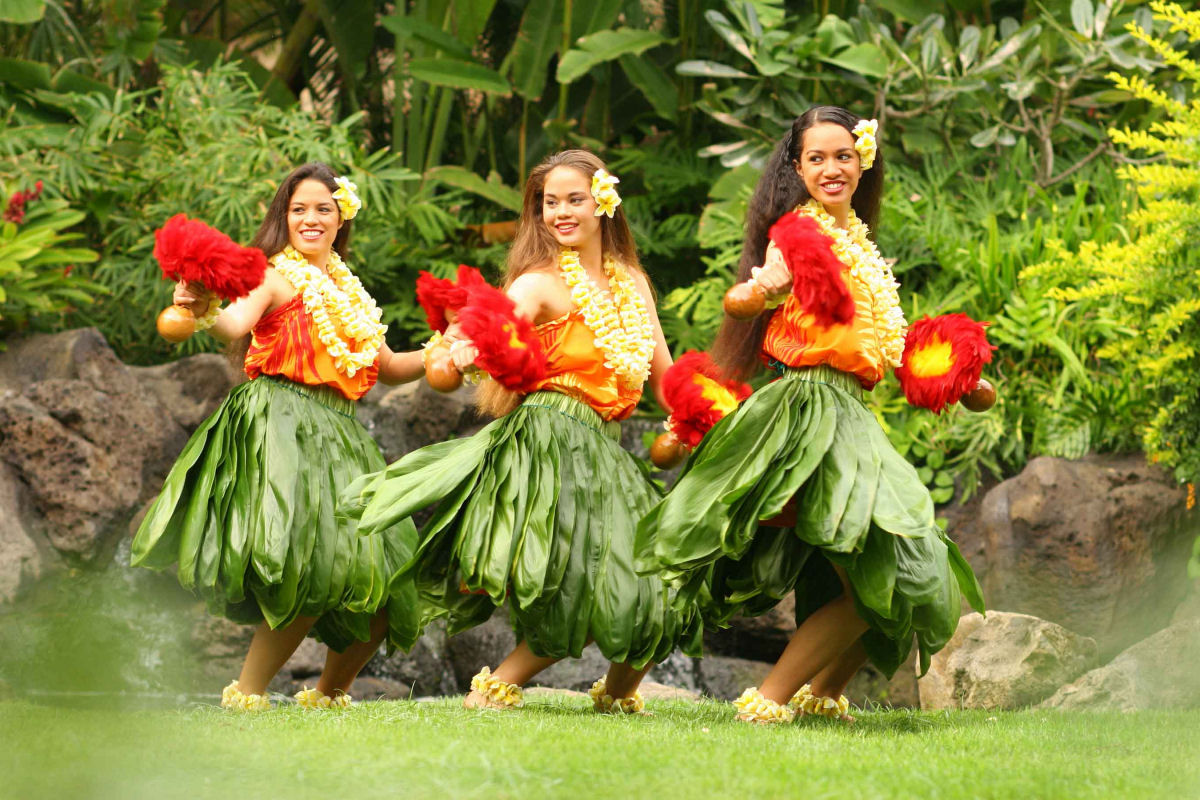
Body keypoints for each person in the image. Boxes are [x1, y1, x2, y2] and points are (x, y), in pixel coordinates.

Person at [635, 107, 984, 724]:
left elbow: (882, 340)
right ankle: (767, 699)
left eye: (843, 156)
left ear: (862, 161)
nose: (831, 168)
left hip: (849, 412)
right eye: (816, 158)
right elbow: (755, 295)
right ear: (797, 167)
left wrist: (953, 374)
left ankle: (820, 694)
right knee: (875, 564)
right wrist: (764, 286)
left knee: (889, 567)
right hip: (806, 409)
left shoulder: (861, 245)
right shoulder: (797, 233)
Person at [340, 150, 700, 713]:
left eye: (573, 199)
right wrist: (461, 347)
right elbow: (491, 332)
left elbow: (664, 373)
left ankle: (618, 696)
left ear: (603, 201)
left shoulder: (632, 284)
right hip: (548, 444)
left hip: (603, 450)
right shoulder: (537, 285)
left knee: (657, 585)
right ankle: (498, 685)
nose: (560, 212)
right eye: (548, 202)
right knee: (580, 579)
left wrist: (698, 410)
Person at [132, 162, 427, 711]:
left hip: (340, 433)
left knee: (387, 577)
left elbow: (386, 366)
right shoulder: (273, 275)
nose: (311, 218)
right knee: (309, 564)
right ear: (283, 217)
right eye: (299, 209)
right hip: (282, 425)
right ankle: (246, 694)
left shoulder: (351, 291)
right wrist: (198, 303)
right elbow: (233, 325)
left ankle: (327, 697)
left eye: (324, 209)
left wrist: (444, 349)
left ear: (343, 218)